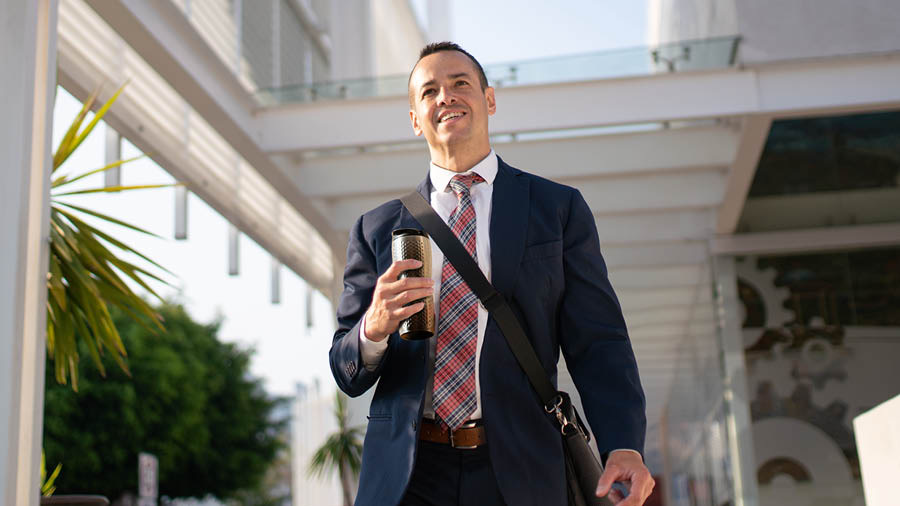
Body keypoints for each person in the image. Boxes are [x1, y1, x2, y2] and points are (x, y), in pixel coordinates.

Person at [330, 42, 654, 506]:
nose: (446, 96)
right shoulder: (377, 228)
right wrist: (373, 329)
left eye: (460, 83)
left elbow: (598, 340)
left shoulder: (556, 209)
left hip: (520, 464)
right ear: (415, 119)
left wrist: (623, 443)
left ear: (490, 100)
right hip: (409, 474)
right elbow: (346, 370)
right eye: (429, 92)